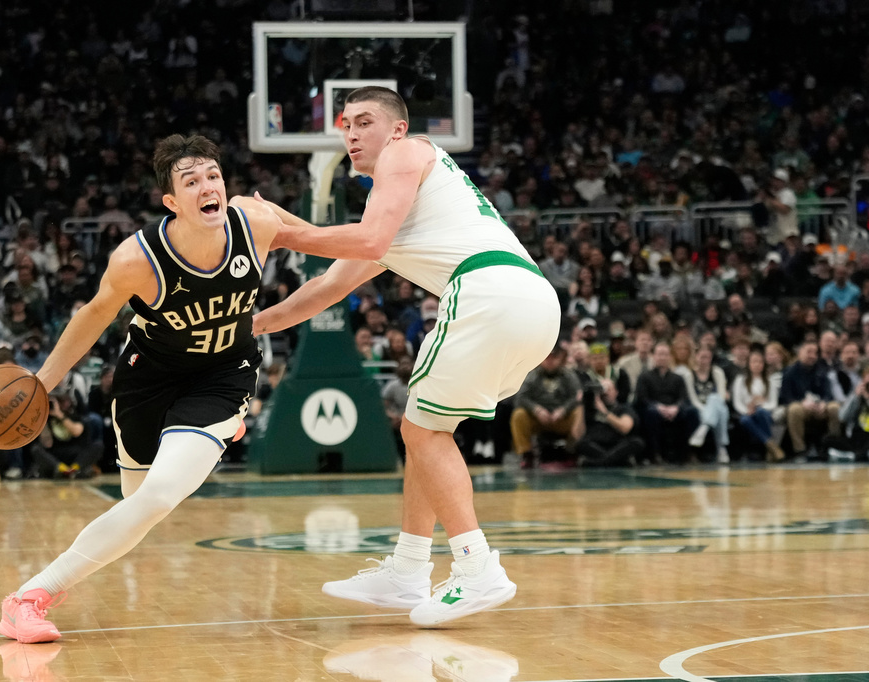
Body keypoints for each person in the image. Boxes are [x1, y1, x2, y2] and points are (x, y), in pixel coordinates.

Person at [250, 86, 561, 626]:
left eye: (364, 121)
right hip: (529, 307)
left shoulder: (407, 152)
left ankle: (476, 567)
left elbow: (366, 241)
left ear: (396, 129)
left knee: (420, 432)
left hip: (490, 293)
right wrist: (251, 325)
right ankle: (409, 570)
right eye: (345, 123)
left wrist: (282, 231)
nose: (351, 132)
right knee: (425, 426)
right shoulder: (398, 210)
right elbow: (327, 288)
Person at [0, 134, 281, 643]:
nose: (207, 187)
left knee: (159, 495)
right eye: (190, 181)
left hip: (222, 374)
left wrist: (384, 243)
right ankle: (213, 433)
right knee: (138, 504)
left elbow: (326, 242)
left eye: (212, 176)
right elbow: (91, 317)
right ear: (171, 201)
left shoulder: (255, 223)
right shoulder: (137, 258)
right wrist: (42, 383)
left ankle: (28, 597)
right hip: (146, 380)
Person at [509, 345, 583, 467]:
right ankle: (526, 454)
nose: (550, 361)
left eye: (553, 358)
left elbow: (577, 396)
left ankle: (571, 452)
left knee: (578, 412)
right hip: (538, 419)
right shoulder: (532, 375)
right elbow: (520, 397)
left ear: (559, 359)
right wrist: (536, 410)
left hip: (562, 419)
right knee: (518, 414)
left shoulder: (568, 375)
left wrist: (563, 410)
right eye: (547, 358)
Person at [576, 378, 644, 467]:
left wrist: (604, 411)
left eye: (609, 389)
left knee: (637, 442)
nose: (606, 393)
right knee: (581, 444)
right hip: (597, 444)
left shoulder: (624, 408)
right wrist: (580, 405)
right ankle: (620, 462)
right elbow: (578, 434)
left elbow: (625, 428)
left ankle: (596, 463)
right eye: (603, 390)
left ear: (616, 392)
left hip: (617, 445)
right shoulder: (590, 410)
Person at [680, 346, 732, 464]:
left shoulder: (717, 372)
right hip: (699, 408)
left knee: (715, 399)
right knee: (721, 412)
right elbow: (693, 399)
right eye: (702, 357)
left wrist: (710, 411)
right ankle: (722, 449)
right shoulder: (689, 375)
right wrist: (706, 410)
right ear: (696, 357)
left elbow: (722, 396)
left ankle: (704, 428)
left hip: (717, 406)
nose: (704, 360)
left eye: (707, 357)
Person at [732, 350, 785, 462]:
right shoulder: (740, 380)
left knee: (761, 413)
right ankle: (771, 445)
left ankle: (769, 448)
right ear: (749, 364)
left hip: (764, 412)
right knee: (745, 420)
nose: (757, 364)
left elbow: (773, 403)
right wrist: (748, 410)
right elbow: (737, 403)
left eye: (760, 362)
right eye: (754, 362)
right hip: (747, 412)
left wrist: (760, 404)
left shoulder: (769, 381)